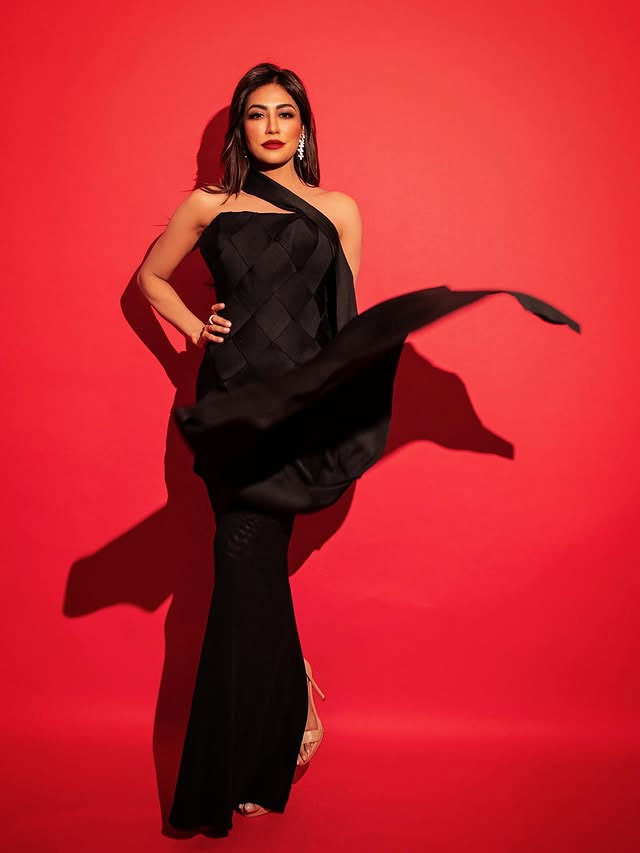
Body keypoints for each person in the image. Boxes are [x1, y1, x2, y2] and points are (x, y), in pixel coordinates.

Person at [136, 62, 580, 838]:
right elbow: (149, 278)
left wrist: (347, 395)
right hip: (230, 403)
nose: (272, 127)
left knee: (247, 564)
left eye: (285, 114)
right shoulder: (209, 204)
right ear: (240, 129)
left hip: (296, 409)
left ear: (304, 128)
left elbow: (341, 322)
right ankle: (283, 714)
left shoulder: (338, 209)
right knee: (242, 559)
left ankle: (260, 739)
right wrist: (194, 324)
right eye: (256, 114)